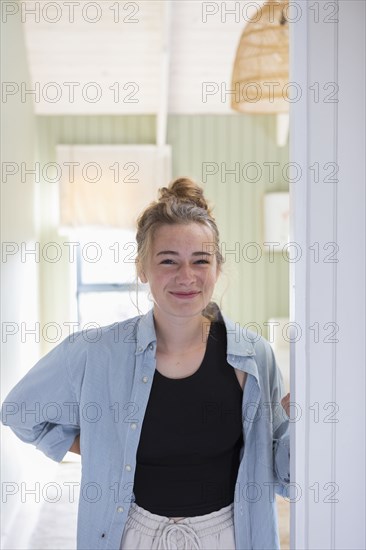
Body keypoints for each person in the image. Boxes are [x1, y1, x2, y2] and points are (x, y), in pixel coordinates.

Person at [1, 177, 290, 550]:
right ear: (142, 268)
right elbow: (20, 411)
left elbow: (282, 473)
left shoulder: (253, 358)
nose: (186, 277)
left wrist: (304, 425)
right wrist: (105, 445)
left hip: (230, 535)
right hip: (131, 536)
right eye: (168, 261)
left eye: (200, 260)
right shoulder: (96, 351)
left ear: (217, 267)